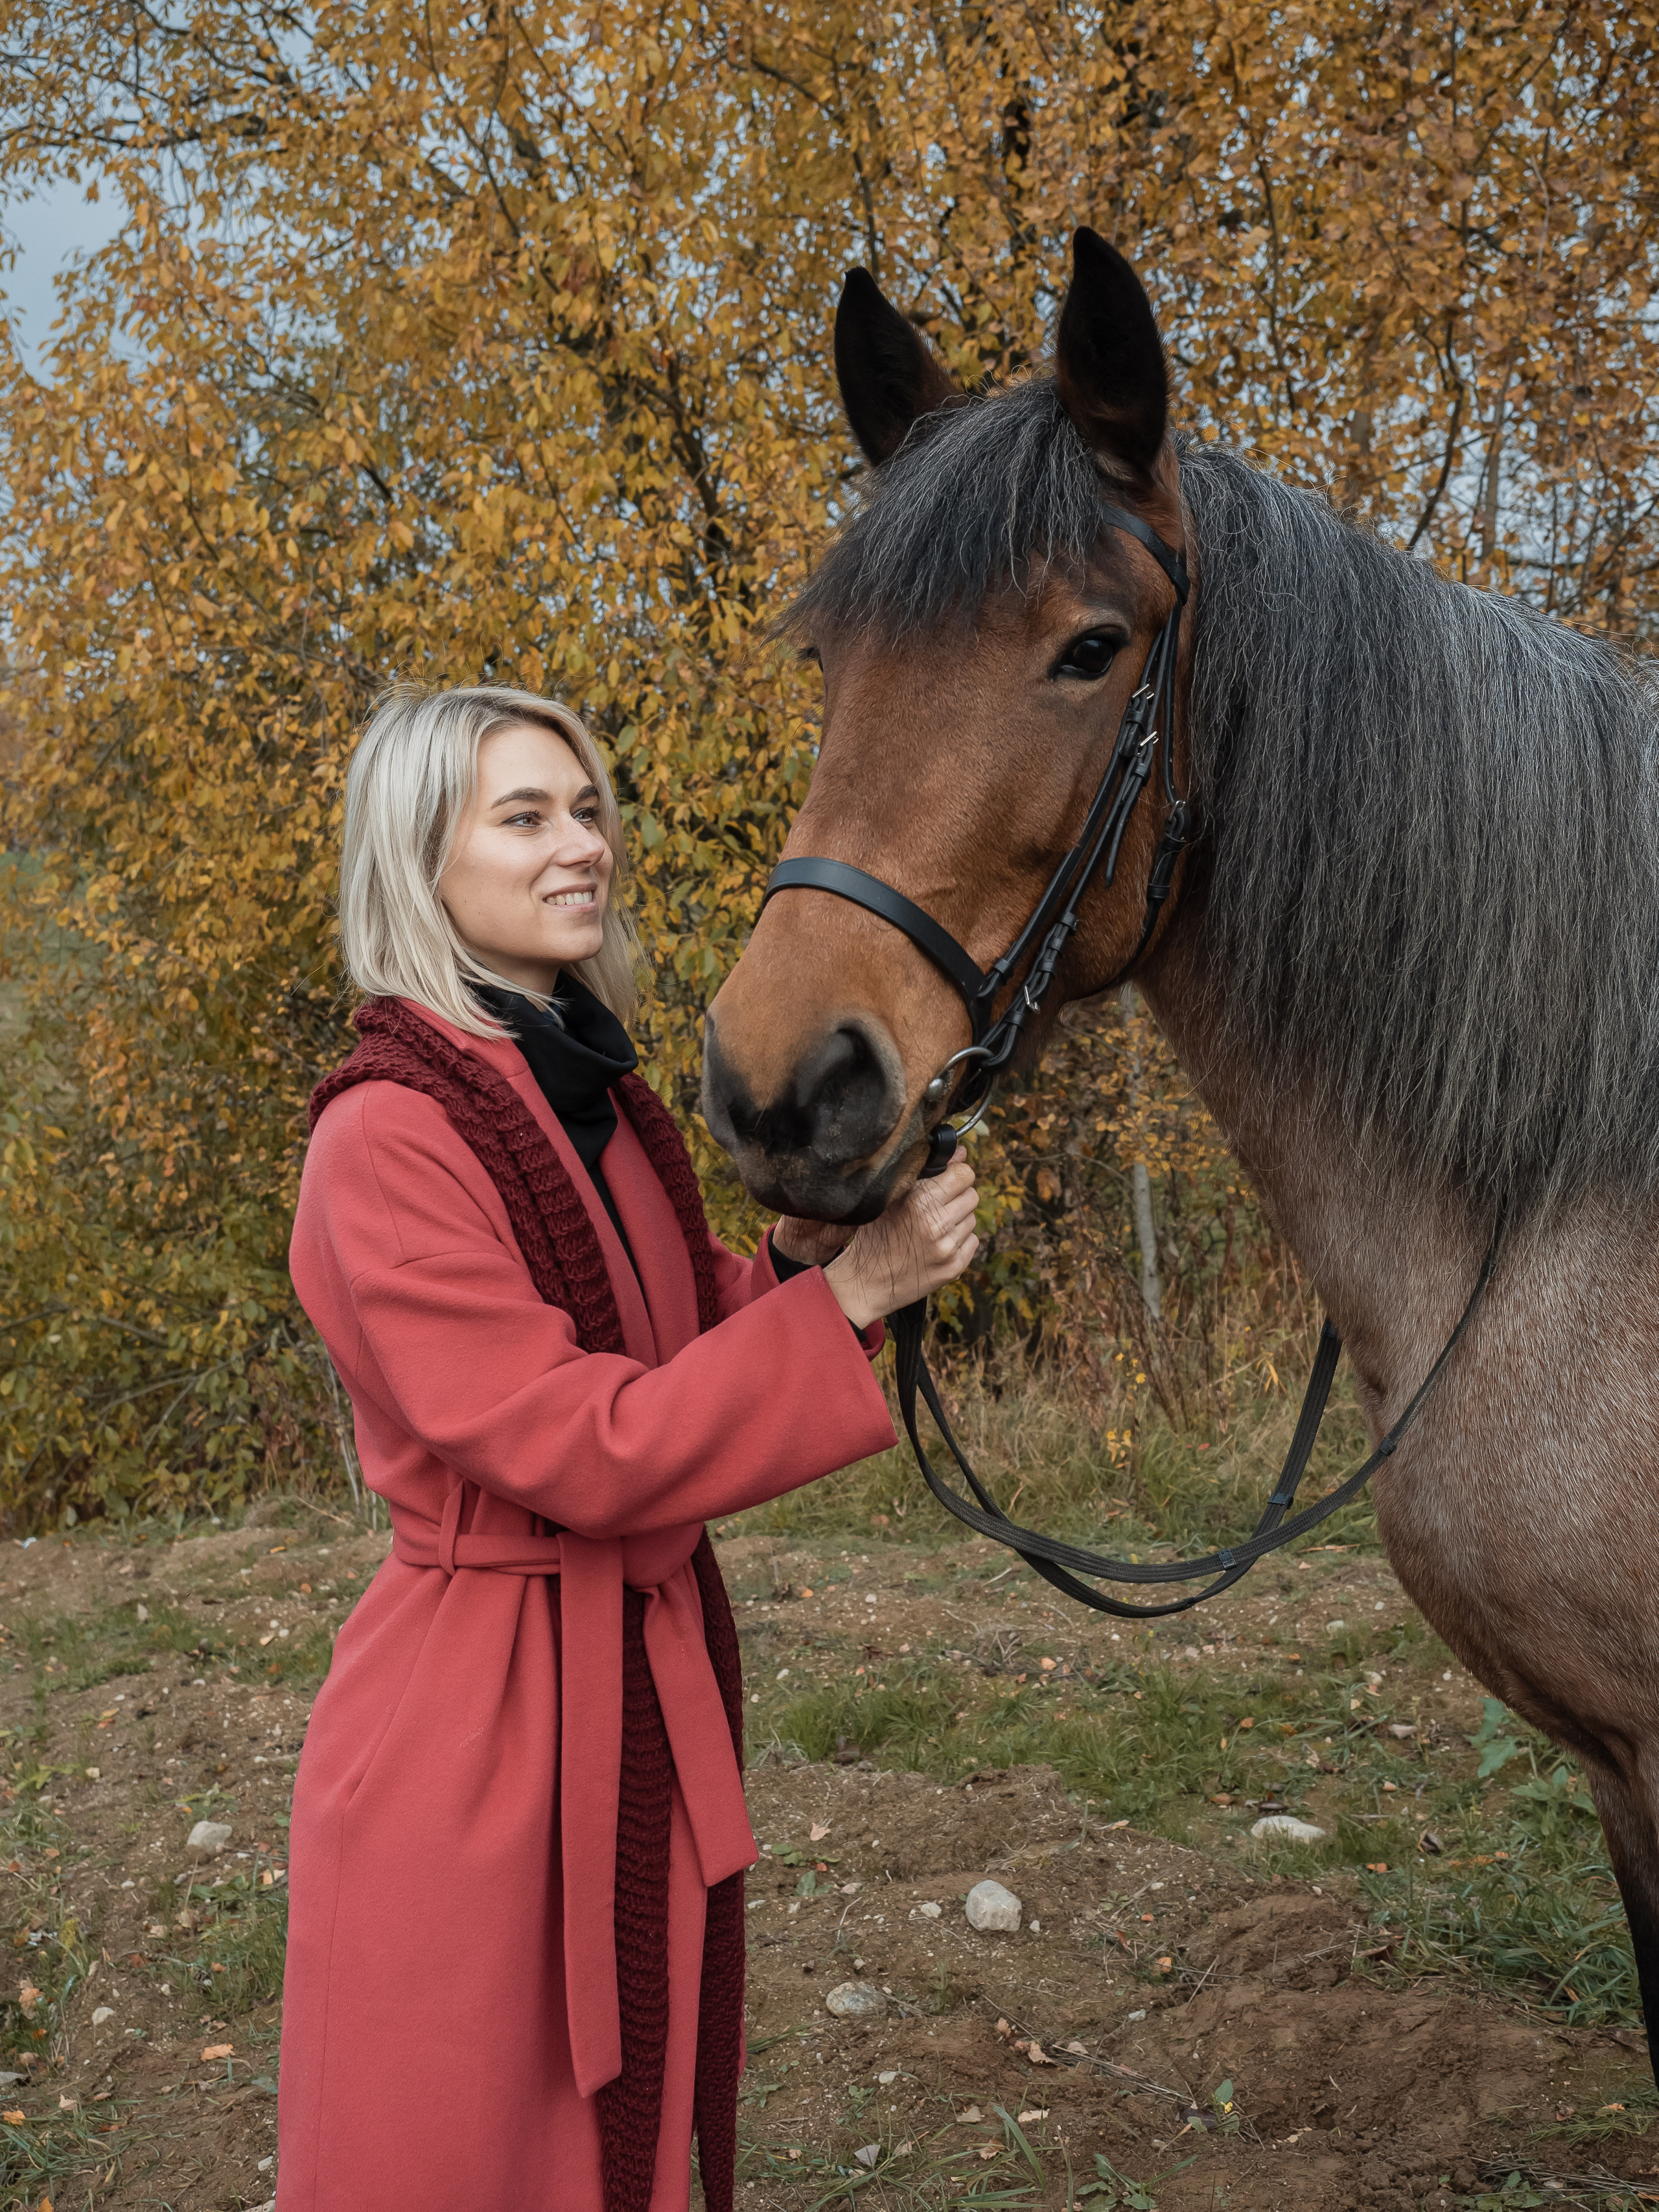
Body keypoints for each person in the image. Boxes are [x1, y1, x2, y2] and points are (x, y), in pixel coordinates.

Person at [277, 684, 979, 2212]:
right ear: (418, 858)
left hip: (620, 1681)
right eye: (522, 816)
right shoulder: (387, 1136)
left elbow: (661, 1346)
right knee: (465, 2145)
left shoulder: (576, 1093)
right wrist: (851, 1299)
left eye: (584, 808)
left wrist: (800, 1275)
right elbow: (582, 1441)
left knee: (623, 2138)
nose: (577, 844)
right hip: (475, 1726)